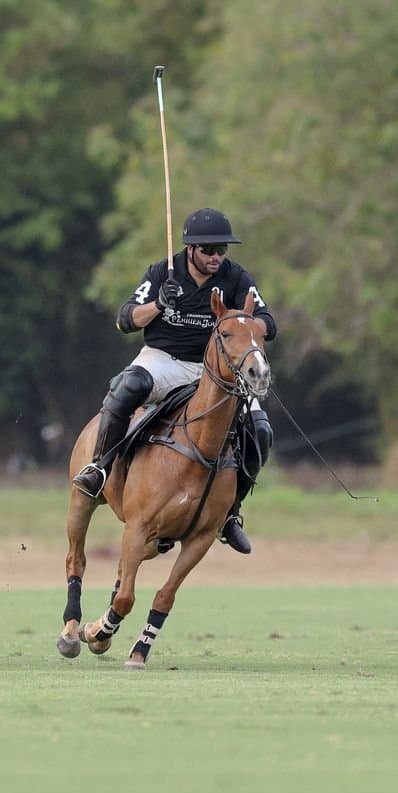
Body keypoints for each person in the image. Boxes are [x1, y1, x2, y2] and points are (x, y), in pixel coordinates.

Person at [71, 208, 278, 553]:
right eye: (209, 250)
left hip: (215, 370)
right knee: (127, 388)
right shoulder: (162, 272)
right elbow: (125, 320)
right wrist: (158, 304)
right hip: (164, 360)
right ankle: (99, 468)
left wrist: (244, 324)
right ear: (191, 249)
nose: (216, 257)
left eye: (222, 250)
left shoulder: (236, 277)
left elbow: (268, 321)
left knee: (261, 430)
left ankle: (230, 513)